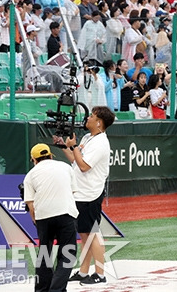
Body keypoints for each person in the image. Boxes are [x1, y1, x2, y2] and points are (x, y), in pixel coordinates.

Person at [55, 106, 115, 286]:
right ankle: (83, 271)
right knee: (84, 234)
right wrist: (63, 146)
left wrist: (73, 146)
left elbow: (84, 166)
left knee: (92, 233)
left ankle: (100, 273)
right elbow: (76, 159)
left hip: (90, 193)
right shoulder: (88, 137)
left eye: (92, 116)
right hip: (80, 191)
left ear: (99, 122)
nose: (87, 118)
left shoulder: (100, 143)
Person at [23, 143, 78, 292]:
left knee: (44, 253)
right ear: (50, 155)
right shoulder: (66, 167)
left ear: (33, 159)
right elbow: (72, 192)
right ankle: (57, 289)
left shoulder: (31, 175)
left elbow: (31, 205)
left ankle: (42, 289)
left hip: (43, 216)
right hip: (66, 212)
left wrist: (37, 223)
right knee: (67, 254)